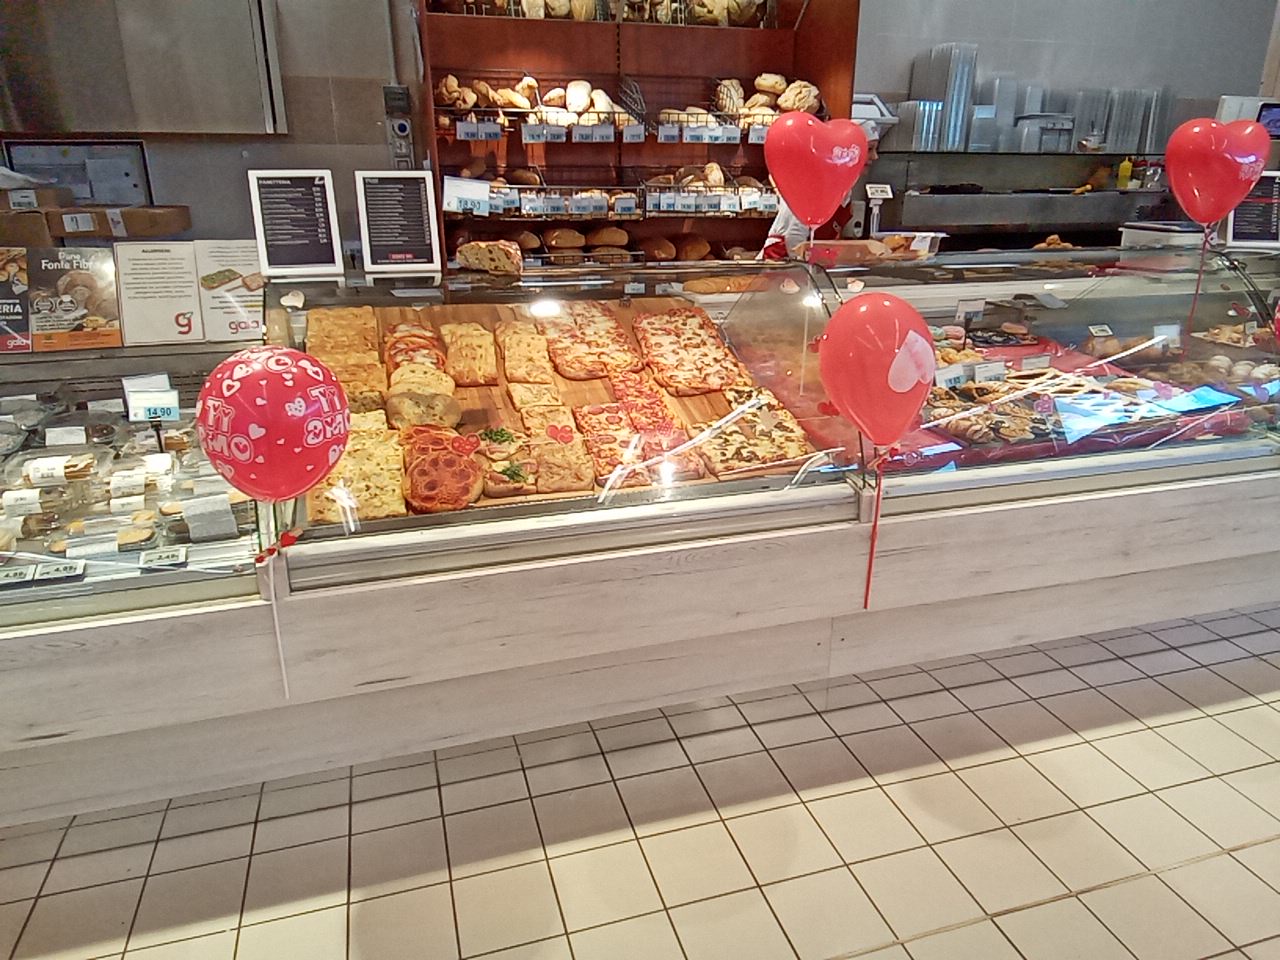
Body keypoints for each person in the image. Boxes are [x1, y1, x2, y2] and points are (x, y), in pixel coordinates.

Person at [760, 119, 882, 260]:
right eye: (869, 149)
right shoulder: (816, 183)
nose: (875, 157)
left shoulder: (844, 184)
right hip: (781, 262)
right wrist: (808, 267)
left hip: (810, 262)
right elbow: (793, 237)